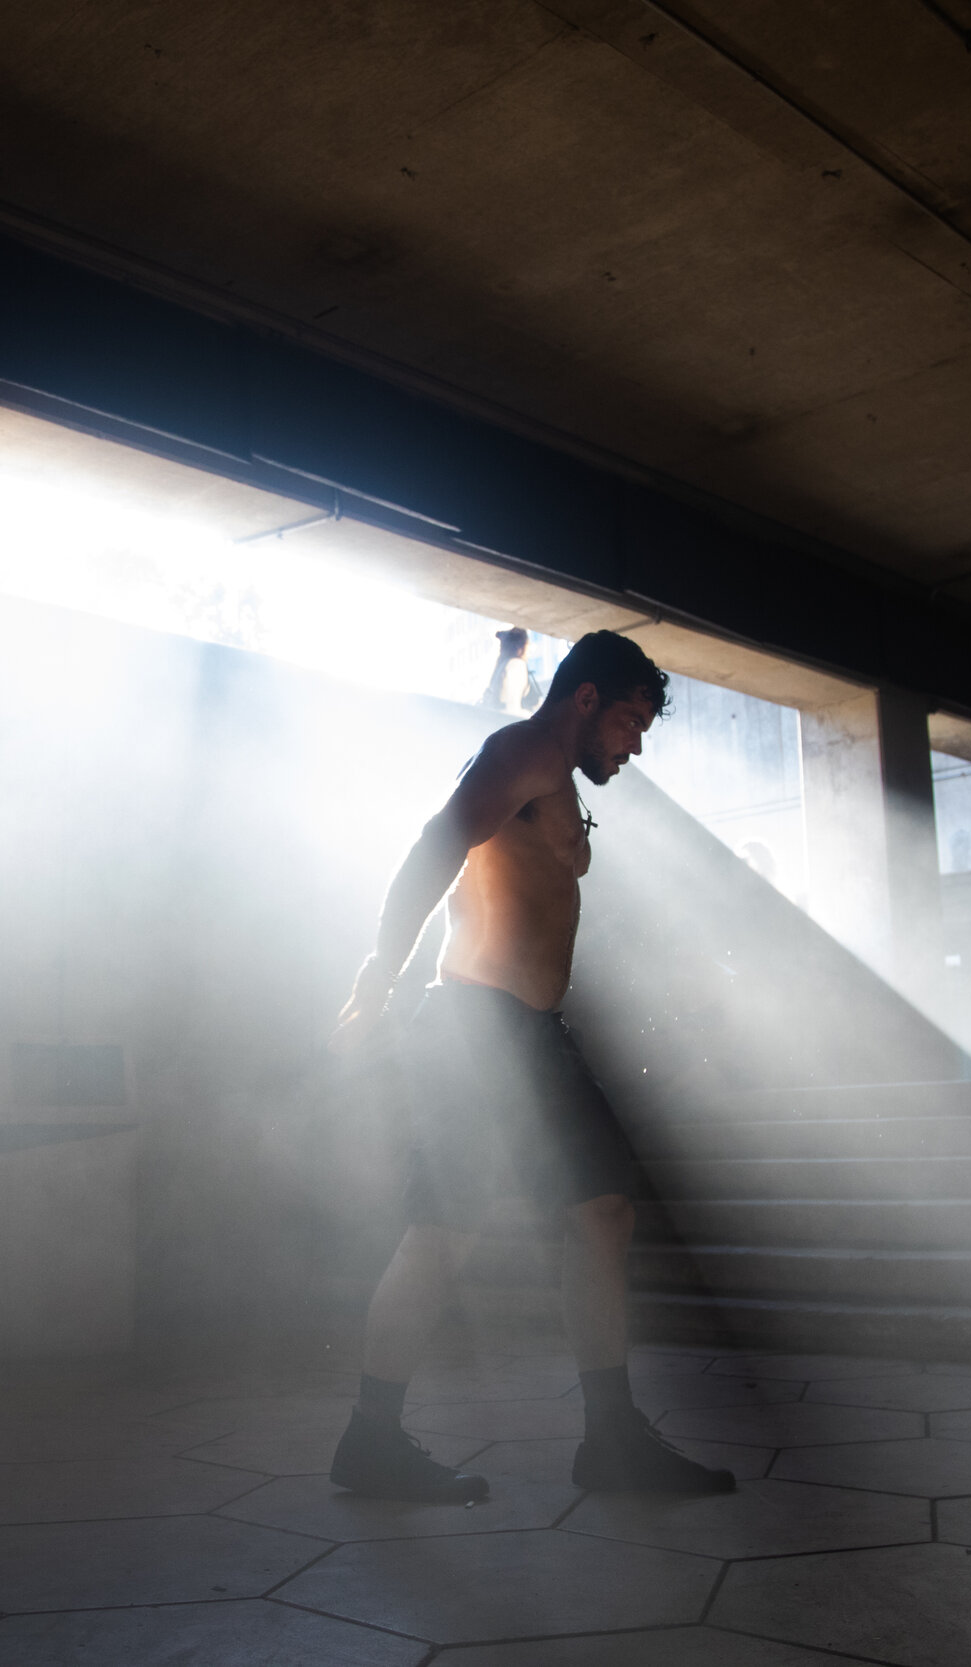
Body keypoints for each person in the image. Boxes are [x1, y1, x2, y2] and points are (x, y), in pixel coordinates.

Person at [329, 630, 731, 1500]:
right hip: (480, 1030)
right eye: (629, 720)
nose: (634, 742)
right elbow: (439, 848)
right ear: (584, 699)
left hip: (525, 1031)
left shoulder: (550, 775)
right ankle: (370, 1438)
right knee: (449, 1230)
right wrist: (379, 971)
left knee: (601, 1212)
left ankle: (611, 1439)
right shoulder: (522, 752)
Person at [478, 627, 542, 714]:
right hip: (513, 723)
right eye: (528, 644)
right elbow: (512, 709)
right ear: (521, 647)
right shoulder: (516, 664)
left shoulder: (501, 666)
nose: (530, 648)